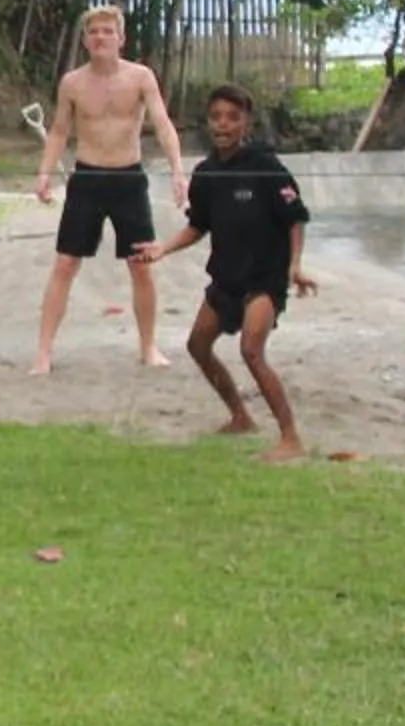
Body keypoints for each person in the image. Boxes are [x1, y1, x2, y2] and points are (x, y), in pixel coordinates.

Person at [136, 83, 318, 461]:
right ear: (208, 123)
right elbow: (197, 226)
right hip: (226, 279)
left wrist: (295, 266)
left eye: (232, 118)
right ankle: (240, 416)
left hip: (265, 279)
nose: (223, 125)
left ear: (245, 123)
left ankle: (291, 438)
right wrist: (162, 248)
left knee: (251, 349)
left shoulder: (266, 166)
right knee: (197, 345)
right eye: (216, 117)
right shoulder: (205, 174)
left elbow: (295, 219)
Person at [30, 4, 188, 374]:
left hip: (128, 178)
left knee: (141, 265)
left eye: (107, 31)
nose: (100, 37)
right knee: (66, 263)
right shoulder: (72, 82)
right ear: (85, 40)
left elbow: (163, 125)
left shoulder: (141, 77)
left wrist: (179, 171)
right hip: (87, 179)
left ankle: (148, 347)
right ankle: (43, 353)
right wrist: (44, 173)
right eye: (94, 32)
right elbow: (58, 131)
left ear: (121, 38)